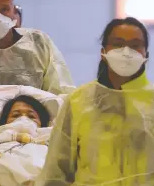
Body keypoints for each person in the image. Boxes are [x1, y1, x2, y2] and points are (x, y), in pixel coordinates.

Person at [35, 17, 154, 186]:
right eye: (118, 44)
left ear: (146, 55)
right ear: (103, 52)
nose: (126, 52)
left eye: (135, 45)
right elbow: (56, 169)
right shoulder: (78, 101)